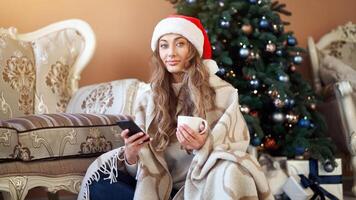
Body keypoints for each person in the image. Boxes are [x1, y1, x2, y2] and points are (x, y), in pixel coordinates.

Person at [78, 15, 272, 200]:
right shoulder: (149, 98)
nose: (170, 53)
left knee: (232, 169)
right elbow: (141, 171)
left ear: (194, 49)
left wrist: (203, 146)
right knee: (100, 185)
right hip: (157, 189)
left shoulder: (222, 93)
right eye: (164, 46)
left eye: (180, 44)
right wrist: (131, 154)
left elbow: (236, 148)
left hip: (203, 186)